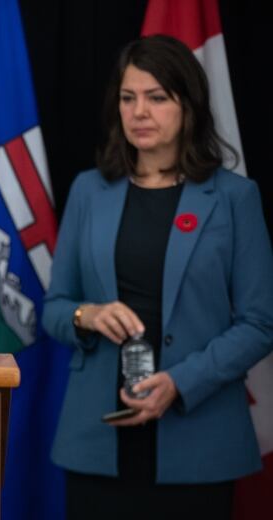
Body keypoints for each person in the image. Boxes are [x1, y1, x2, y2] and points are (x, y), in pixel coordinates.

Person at [43, 35, 273, 519]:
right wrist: (88, 314)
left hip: (198, 441)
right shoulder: (90, 190)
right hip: (97, 443)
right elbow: (57, 308)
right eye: (128, 98)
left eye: (156, 97)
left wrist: (181, 383)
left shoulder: (234, 198)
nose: (139, 112)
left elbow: (260, 323)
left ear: (188, 106)